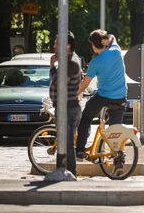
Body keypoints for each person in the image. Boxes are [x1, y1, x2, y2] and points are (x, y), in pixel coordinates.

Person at [76, 30, 127, 160]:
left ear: (93, 44)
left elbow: (84, 85)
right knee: (116, 129)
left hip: (103, 97)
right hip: (121, 97)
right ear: (105, 42)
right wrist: (109, 40)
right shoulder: (116, 51)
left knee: (86, 118)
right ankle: (118, 158)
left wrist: (72, 94)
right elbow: (113, 36)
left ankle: (80, 150)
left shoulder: (95, 62)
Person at [49, 31, 83, 177]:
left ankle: (70, 174)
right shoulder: (66, 61)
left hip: (69, 108)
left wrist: (52, 66)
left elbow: (58, 82)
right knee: (64, 141)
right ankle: (63, 171)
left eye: (57, 43)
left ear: (67, 46)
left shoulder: (71, 63)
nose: (54, 45)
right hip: (65, 107)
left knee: (67, 144)